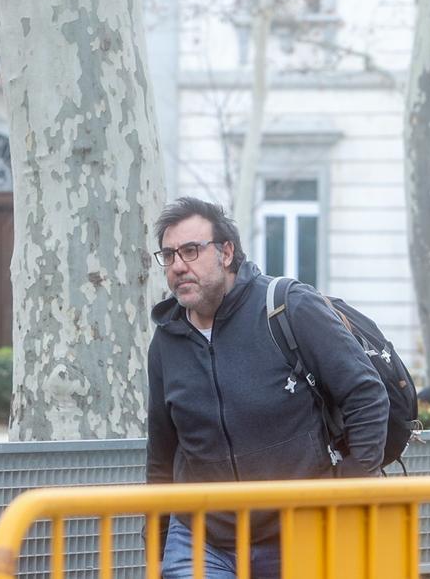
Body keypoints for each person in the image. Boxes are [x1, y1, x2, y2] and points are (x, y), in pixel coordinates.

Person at [146, 197, 389, 578]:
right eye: (169, 255)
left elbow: (366, 395)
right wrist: (158, 544)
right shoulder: (166, 341)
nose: (178, 266)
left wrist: (348, 493)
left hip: (300, 533)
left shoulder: (289, 306)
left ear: (226, 252)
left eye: (191, 251)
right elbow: (162, 449)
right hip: (201, 538)